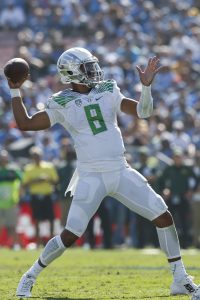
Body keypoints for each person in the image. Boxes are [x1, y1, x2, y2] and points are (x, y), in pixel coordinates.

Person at [6, 47, 199, 298]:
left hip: (120, 170)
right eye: (87, 66)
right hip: (90, 176)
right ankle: (29, 276)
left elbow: (144, 112)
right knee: (70, 233)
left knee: (163, 216)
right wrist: (14, 90)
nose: (94, 70)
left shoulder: (108, 89)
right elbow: (26, 123)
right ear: (72, 73)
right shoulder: (61, 101)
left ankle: (179, 278)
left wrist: (147, 88)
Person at [22, 146, 59, 246]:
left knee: (51, 219)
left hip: (47, 195)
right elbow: (25, 184)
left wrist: (46, 179)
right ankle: (38, 242)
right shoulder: (28, 169)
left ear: (41, 156)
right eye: (34, 156)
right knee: (37, 219)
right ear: (32, 157)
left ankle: (51, 242)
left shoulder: (49, 166)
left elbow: (55, 181)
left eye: (38, 155)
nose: (36, 157)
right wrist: (36, 180)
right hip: (35, 197)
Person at [0, 149, 22, 249]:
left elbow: (23, 182)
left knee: (12, 226)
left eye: (4, 158)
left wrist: (18, 196)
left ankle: (15, 245)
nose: (2, 160)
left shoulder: (13, 170)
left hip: (11, 203)